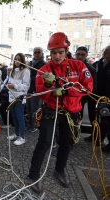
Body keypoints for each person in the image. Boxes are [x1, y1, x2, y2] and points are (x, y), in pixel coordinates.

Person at [28, 32, 93, 194]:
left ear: (66, 51)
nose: (57, 56)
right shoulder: (44, 70)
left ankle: (60, 170)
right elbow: (39, 92)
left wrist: (65, 91)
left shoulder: (78, 66)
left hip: (71, 113)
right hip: (51, 111)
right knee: (44, 143)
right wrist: (50, 87)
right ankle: (34, 175)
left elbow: (88, 88)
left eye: (60, 52)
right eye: (54, 53)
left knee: (66, 144)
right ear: (49, 53)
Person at [74, 47, 97, 142]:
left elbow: (94, 85)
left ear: (86, 55)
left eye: (82, 54)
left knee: (85, 116)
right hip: (73, 95)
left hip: (85, 96)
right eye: (78, 54)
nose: (80, 56)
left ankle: (77, 135)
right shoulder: (71, 65)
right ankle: (72, 135)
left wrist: (86, 95)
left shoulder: (90, 68)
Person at [6, 53, 30, 145]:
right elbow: (9, 82)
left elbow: (26, 86)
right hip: (11, 97)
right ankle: (16, 134)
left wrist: (14, 86)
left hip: (20, 97)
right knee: (14, 117)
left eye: (19, 59)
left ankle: (22, 137)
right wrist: (9, 85)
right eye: (15, 59)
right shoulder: (12, 70)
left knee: (20, 118)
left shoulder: (25, 71)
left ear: (22, 60)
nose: (17, 61)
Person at [94, 45, 110, 152]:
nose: (105, 52)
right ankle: (97, 137)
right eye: (105, 50)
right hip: (97, 95)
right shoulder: (98, 63)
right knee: (98, 118)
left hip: (108, 97)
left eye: (107, 51)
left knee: (108, 121)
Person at [26, 47, 46, 133]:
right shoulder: (30, 63)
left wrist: (30, 76)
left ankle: (34, 125)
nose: (37, 54)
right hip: (29, 89)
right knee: (28, 108)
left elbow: (41, 78)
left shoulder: (44, 64)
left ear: (42, 54)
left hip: (36, 90)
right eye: (35, 52)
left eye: (38, 52)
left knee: (35, 109)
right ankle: (29, 124)